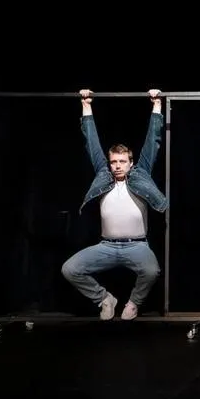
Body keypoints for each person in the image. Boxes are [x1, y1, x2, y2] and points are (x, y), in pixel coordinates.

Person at [61, 88, 167, 320]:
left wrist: (157, 104)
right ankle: (105, 299)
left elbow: (153, 141)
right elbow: (92, 143)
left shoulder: (141, 174)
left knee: (151, 271)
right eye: (113, 162)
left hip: (137, 246)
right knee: (70, 269)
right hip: (106, 246)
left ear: (131, 163)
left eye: (122, 161)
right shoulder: (104, 176)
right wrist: (86, 105)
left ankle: (133, 303)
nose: (117, 166)